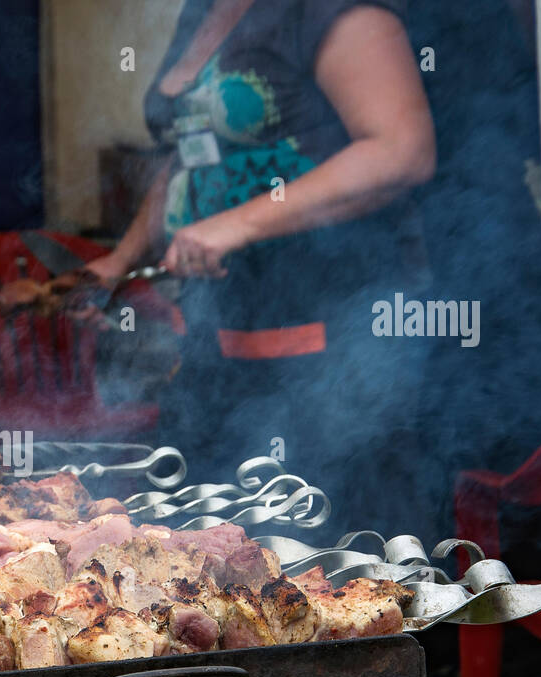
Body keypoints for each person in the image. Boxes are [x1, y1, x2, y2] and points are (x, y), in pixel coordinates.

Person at [87, 0, 439, 539]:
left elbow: (402, 149)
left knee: (330, 554)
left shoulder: (321, 9)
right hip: (215, 337)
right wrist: (120, 260)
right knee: (198, 545)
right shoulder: (200, 12)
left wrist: (237, 225)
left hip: (332, 334)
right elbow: (190, 157)